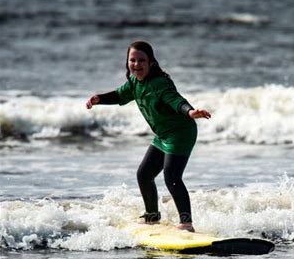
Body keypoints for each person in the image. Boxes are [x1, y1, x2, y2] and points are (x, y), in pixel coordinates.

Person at [86, 41, 211, 232]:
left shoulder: (160, 83)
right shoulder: (134, 83)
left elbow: (176, 100)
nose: (136, 64)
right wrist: (99, 99)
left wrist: (191, 112)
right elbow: (119, 95)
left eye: (141, 60)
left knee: (172, 177)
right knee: (144, 174)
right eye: (132, 60)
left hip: (180, 133)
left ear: (151, 62)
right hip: (163, 135)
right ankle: (152, 217)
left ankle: (187, 223)